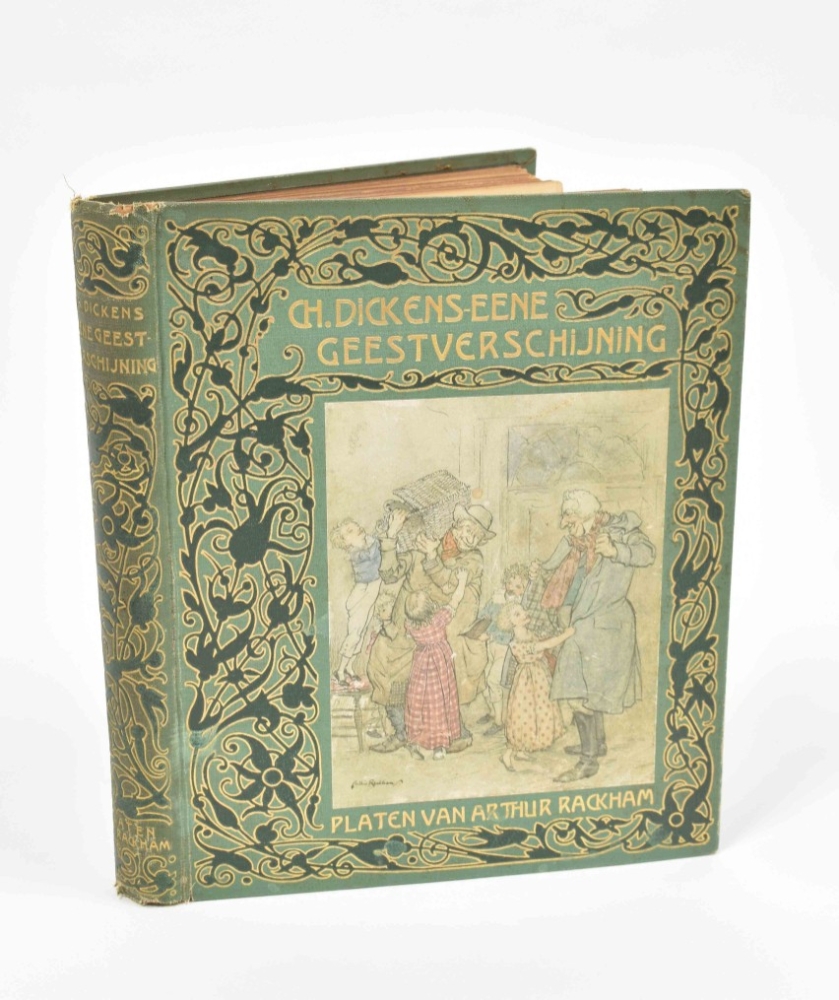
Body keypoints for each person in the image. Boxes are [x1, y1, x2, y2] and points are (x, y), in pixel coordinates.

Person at [526, 489, 655, 782]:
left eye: (568, 518)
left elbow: (648, 553)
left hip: (606, 624)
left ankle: (588, 761)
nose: (564, 523)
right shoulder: (578, 543)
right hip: (582, 623)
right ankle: (597, 744)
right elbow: (564, 576)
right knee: (586, 688)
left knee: (578, 692)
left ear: (584, 515)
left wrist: (617, 551)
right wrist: (541, 570)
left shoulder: (618, 531)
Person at [368, 503, 494, 754]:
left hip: (439, 633)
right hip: (406, 627)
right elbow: (390, 574)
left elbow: (450, 585)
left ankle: (451, 733)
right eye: (467, 529)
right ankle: (401, 731)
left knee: (440, 679)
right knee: (382, 660)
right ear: (455, 525)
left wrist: (431, 558)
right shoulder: (425, 543)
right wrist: (391, 537)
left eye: (476, 535)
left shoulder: (472, 559)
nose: (470, 538)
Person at [403, 569, 469, 760]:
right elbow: (455, 600)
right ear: (430, 606)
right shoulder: (438, 619)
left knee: (420, 702)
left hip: (421, 665)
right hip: (440, 665)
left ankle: (416, 740)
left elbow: (410, 637)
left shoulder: (410, 625)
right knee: (440, 702)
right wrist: (462, 580)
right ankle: (439, 746)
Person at [498, 603, 573, 772]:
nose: (524, 613)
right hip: (527, 681)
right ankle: (508, 754)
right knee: (523, 715)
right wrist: (567, 634)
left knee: (535, 713)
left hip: (539, 677)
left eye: (522, 610)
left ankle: (522, 750)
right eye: (517, 614)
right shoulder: (517, 642)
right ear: (511, 622)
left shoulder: (527, 632)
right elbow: (545, 645)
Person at [477, 563, 529, 736]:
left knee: (493, 680)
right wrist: (481, 629)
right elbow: (484, 616)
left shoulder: (519, 606)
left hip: (506, 649)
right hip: (491, 645)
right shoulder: (497, 598)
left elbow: (510, 627)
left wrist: (491, 632)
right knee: (485, 679)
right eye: (509, 583)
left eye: (518, 586)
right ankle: (494, 712)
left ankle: (499, 721)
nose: (512, 588)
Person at [329, 519, 381, 688]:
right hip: (363, 592)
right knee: (355, 634)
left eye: (355, 526)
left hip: (372, 590)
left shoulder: (370, 542)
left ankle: (349, 667)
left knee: (362, 632)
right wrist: (378, 540)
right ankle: (340, 670)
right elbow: (371, 555)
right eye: (350, 531)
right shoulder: (356, 553)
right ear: (346, 542)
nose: (358, 528)